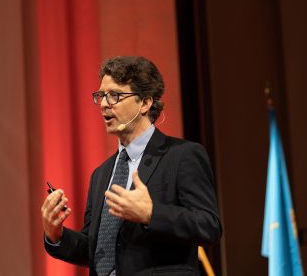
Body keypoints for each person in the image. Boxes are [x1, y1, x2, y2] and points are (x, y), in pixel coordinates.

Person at [42, 56, 222, 276]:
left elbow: (209, 226)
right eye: (101, 96)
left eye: (115, 95)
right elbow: (97, 251)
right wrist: (56, 235)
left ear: (145, 103)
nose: (105, 104)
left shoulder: (182, 156)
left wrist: (151, 213)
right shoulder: (101, 174)